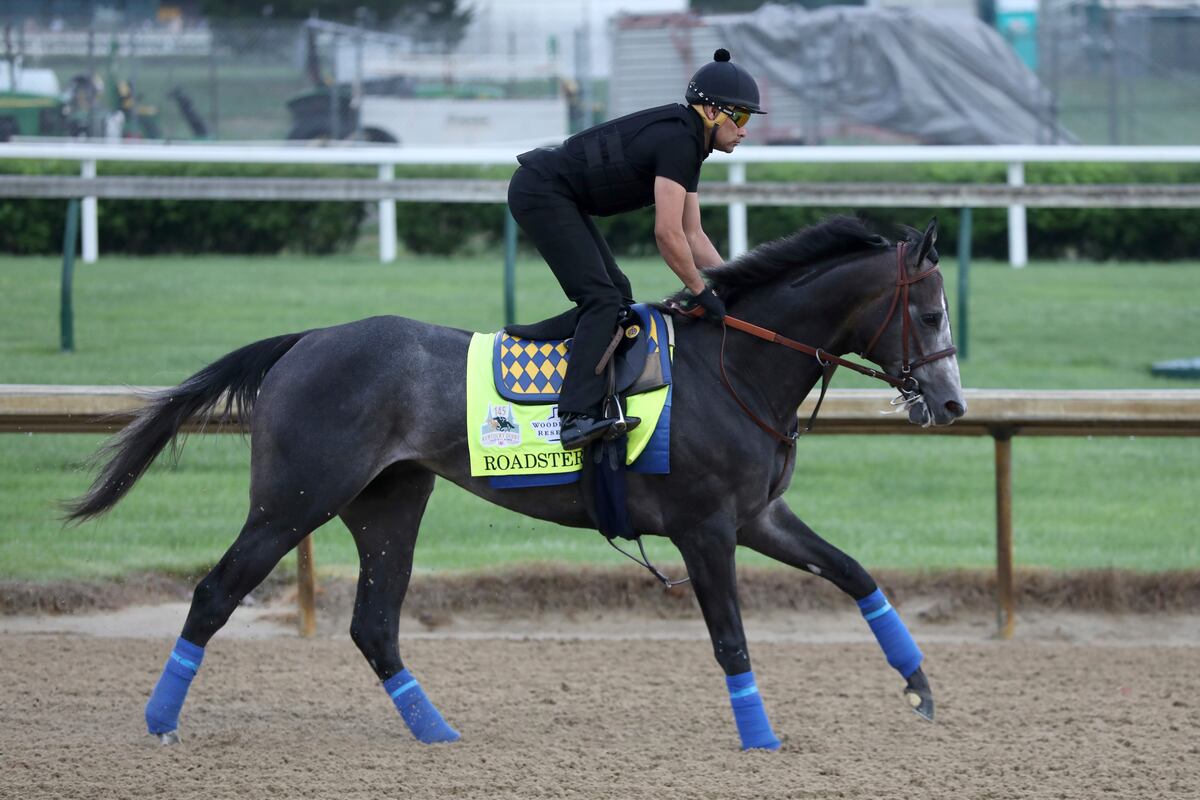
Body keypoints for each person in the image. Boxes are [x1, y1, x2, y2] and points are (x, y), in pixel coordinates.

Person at [507, 48, 765, 451]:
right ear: (712, 112)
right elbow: (667, 235)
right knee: (603, 299)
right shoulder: (680, 140)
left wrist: (737, 286)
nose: (745, 130)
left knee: (617, 295)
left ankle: (546, 338)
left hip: (557, 193)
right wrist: (700, 291)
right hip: (541, 191)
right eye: (742, 117)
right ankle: (575, 417)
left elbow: (693, 233)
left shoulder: (690, 142)